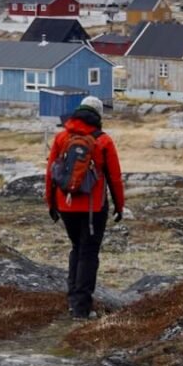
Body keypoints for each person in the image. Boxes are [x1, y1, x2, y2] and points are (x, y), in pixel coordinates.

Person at [45, 95, 125, 319]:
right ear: (98, 115)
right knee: (89, 254)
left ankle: (73, 301)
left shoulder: (62, 138)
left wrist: (51, 204)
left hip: (66, 205)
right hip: (93, 208)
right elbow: (115, 178)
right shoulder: (104, 141)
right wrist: (120, 206)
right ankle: (81, 308)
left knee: (76, 249)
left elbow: (51, 174)